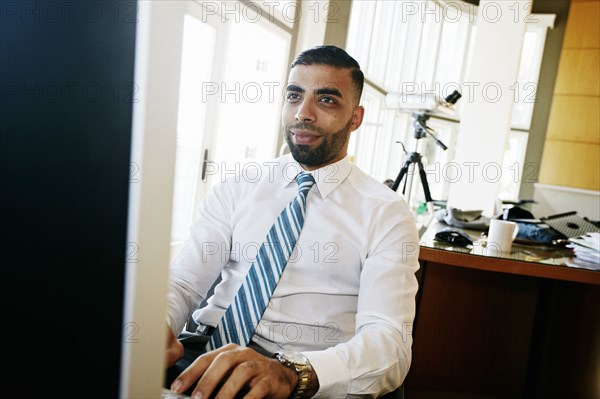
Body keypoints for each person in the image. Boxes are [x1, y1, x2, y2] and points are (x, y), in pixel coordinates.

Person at [165, 45, 420, 399]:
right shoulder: (239, 185)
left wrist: (292, 374)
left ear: (356, 118)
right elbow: (183, 283)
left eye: (327, 100)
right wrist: (157, 323)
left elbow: (388, 344)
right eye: (294, 96)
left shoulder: (387, 213)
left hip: (303, 375)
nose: (304, 113)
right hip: (203, 356)